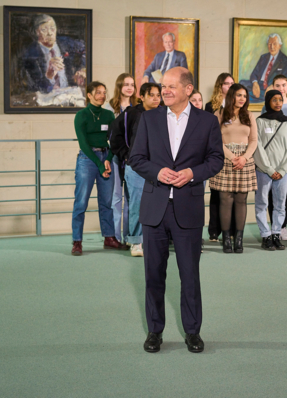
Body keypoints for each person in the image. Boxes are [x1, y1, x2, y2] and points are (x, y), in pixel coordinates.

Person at [128, 67, 224, 354]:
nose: (164, 91)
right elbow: (136, 158)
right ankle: (155, 332)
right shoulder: (148, 118)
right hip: (154, 208)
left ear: (188, 89)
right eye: (162, 86)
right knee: (153, 276)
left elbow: (216, 159)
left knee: (189, 274)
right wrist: (158, 172)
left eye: (170, 86)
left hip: (188, 209)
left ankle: (193, 332)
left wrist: (192, 173)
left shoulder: (207, 122)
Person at [71, 82, 125, 255]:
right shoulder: (81, 115)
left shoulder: (109, 115)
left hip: (106, 157)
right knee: (81, 202)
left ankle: (109, 238)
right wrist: (100, 164)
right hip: (87, 160)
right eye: (98, 92)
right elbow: (83, 144)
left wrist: (108, 159)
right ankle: (77, 241)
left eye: (104, 92)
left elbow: (114, 141)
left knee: (106, 202)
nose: (102, 95)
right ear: (89, 95)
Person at [110, 82, 162, 257]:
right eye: (151, 95)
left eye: (158, 95)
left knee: (156, 204)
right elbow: (114, 135)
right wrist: (126, 155)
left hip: (157, 167)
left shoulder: (163, 114)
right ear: (142, 96)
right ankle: (135, 242)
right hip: (136, 166)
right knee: (137, 204)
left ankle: (153, 240)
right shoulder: (131, 114)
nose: (156, 99)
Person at [211, 83, 258, 253]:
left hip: (245, 160)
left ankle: (239, 239)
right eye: (239, 95)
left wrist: (244, 158)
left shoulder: (249, 115)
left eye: (244, 96)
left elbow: (254, 140)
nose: (242, 99)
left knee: (241, 200)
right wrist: (232, 157)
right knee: (225, 200)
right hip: (225, 159)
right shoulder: (219, 114)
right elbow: (216, 141)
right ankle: (226, 240)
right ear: (231, 96)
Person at [254, 90, 287, 250]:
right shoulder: (259, 122)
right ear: (268, 102)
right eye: (274, 100)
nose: (278, 102)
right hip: (263, 171)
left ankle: (276, 233)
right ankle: (265, 235)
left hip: (283, 172)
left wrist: (283, 169)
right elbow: (257, 147)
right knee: (262, 203)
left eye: (280, 99)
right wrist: (270, 169)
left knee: (280, 204)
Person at [106, 73, 137, 246]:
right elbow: (110, 136)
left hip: (132, 158)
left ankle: (130, 236)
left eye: (132, 84)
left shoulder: (137, 108)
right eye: (126, 84)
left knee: (132, 197)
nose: (129, 88)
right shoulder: (111, 108)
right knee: (117, 197)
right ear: (119, 86)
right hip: (116, 157)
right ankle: (117, 237)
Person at [205, 73, 235, 241]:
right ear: (219, 86)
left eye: (232, 83)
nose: (229, 86)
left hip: (233, 154)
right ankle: (213, 230)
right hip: (216, 153)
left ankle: (229, 230)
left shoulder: (237, 105)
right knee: (216, 193)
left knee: (230, 194)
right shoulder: (211, 106)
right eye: (226, 83)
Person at [22, 14, 86, 94]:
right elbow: (37, 86)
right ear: (37, 32)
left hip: (70, 92)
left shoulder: (65, 42)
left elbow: (85, 48)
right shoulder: (30, 55)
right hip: (47, 98)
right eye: (44, 30)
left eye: (52, 29)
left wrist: (83, 68)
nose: (49, 33)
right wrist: (48, 76)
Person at [241, 33, 287, 102]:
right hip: (258, 84)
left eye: (274, 44)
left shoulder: (285, 60)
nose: (272, 47)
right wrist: (255, 84)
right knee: (241, 83)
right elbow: (254, 73)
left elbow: (283, 79)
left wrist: (271, 86)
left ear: (280, 45)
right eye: (270, 44)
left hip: (269, 87)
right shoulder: (263, 57)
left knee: (246, 96)